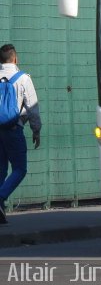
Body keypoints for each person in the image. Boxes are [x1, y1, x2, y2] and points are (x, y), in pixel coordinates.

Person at [0, 44, 42, 224]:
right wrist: (36, 130)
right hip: (13, 129)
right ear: (15, 58)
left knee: (1, 169)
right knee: (20, 168)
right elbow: (32, 108)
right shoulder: (23, 78)